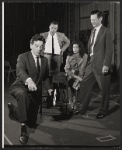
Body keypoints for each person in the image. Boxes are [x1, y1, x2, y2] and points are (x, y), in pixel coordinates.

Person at [8, 34, 53, 144]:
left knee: (32, 121)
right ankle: (23, 129)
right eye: (36, 46)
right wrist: (28, 80)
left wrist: (49, 89)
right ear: (31, 45)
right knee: (23, 96)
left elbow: (46, 77)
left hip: (35, 91)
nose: (39, 49)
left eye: (41, 46)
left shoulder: (44, 61)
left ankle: (13, 111)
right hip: (20, 87)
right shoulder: (23, 57)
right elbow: (20, 71)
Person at [74, 10, 113, 119]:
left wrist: (106, 64)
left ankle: (103, 111)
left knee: (104, 89)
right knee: (85, 83)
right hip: (91, 63)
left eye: (94, 19)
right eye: (91, 20)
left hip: (102, 63)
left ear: (100, 19)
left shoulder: (106, 31)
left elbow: (109, 50)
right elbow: (91, 47)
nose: (92, 22)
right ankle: (82, 108)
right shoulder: (92, 31)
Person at [64, 41, 88, 109]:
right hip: (71, 75)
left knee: (78, 84)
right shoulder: (69, 56)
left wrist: (78, 79)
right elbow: (67, 69)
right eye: (73, 47)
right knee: (70, 82)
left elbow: (82, 69)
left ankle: (76, 101)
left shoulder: (84, 56)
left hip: (81, 75)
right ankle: (71, 101)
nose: (74, 49)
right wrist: (75, 77)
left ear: (80, 48)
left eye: (76, 47)